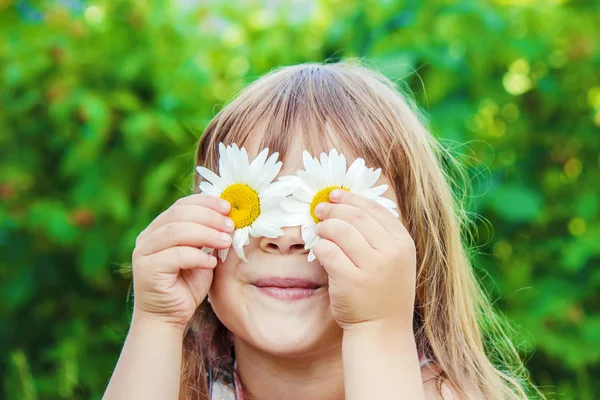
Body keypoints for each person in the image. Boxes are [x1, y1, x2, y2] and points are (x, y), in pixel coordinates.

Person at [102, 60, 541, 399]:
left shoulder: (443, 393)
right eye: (254, 200)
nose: (285, 235)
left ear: (416, 246)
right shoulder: (174, 386)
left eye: (328, 204)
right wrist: (156, 321)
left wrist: (376, 328)